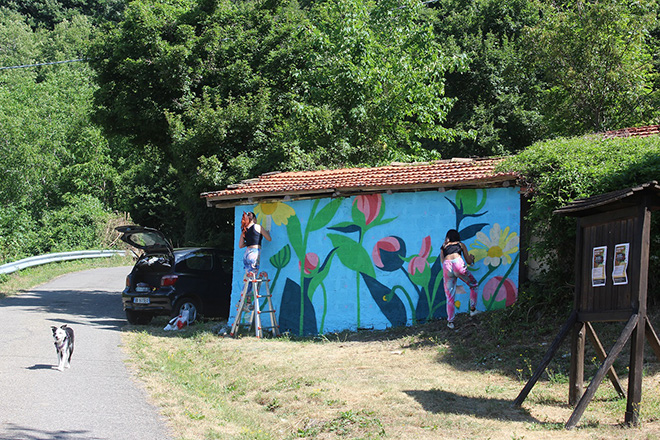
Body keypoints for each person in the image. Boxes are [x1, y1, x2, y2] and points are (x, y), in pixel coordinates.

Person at [441, 229, 478, 329]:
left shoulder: (443, 247)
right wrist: (472, 259)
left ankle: (450, 322)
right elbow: (469, 261)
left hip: (447, 267)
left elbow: (442, 261)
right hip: (458, 264)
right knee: (474, 285)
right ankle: (473, 309)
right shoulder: (460, 244)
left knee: (450, 296)